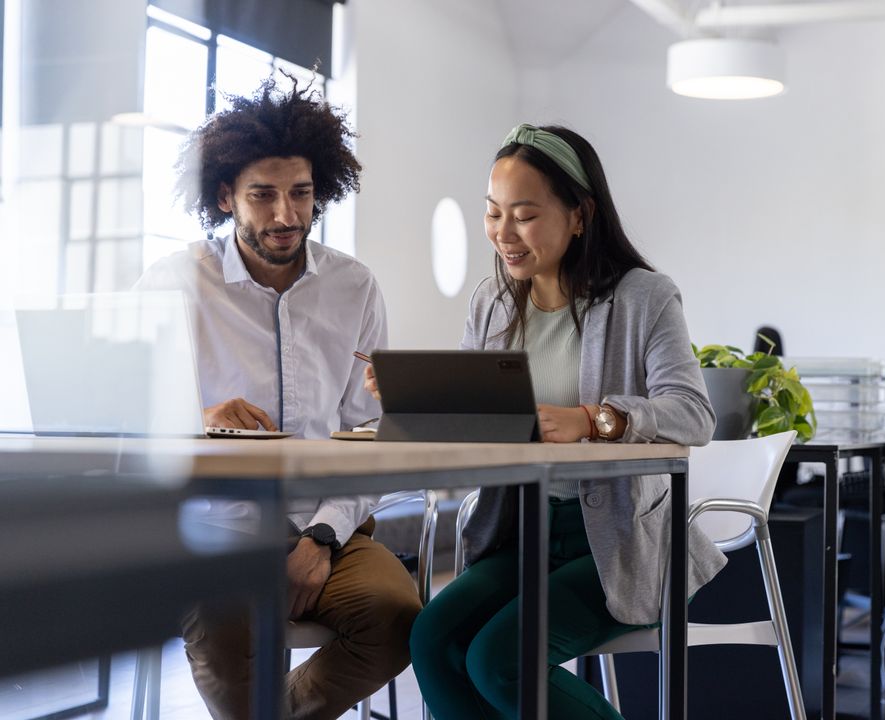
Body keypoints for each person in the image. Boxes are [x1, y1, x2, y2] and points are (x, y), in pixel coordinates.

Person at [394, 124, 727, 719]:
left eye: (524, 215)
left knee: (499, 659)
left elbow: (695, 415)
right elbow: (478, 421)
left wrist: (595, 420)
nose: (503, 234)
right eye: (493, 214)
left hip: (618, 544)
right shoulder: (490, 303)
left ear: (580, 215)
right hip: (520, 533)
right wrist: (423, 398)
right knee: (432, 639)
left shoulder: (644, 298)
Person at [135, 76, 421, 720]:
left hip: (330, 529)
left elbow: (370, 436)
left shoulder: (355, 287)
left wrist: (321, 538)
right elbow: (124, 424)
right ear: (224, 196)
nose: (286, 215)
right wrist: (195, 417)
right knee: (225, 642)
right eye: (262, 195)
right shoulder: (174, 283)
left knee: (400, 620)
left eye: (301, 194)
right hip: (213, 536)